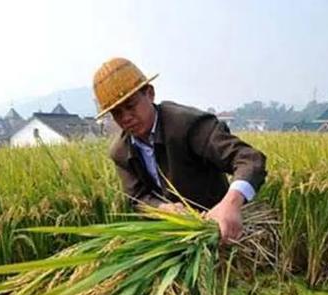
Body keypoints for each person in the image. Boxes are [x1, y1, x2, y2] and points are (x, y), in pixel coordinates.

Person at [93, 57, 267, 244]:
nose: (126, 118)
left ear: (149, 94)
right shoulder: (121, 151)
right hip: (173, 237)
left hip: (219, 231)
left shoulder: (188, 125)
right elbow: (137, 197)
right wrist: (162, 208)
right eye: (117, 113)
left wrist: (230, 204)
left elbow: (249, 160)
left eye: (130, 106)